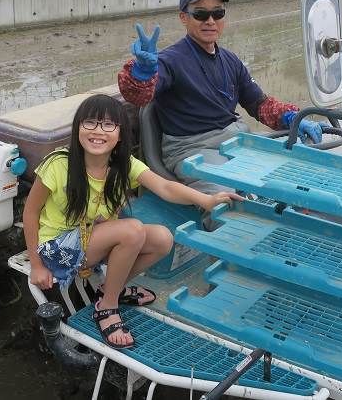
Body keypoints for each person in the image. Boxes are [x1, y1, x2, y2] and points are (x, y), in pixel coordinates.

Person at [22, 94, 241, 350]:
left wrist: (207, 200)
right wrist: (36, 265)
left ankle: (110, 290)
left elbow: (166, 187)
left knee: (163, 239)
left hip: (91, 239)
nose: (97, 132)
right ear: (78, 128)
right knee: (132, 230)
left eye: (107, 125)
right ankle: (107, 308)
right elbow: (30, 212)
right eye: (89, 123)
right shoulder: (59, 163)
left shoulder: (122, 164)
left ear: (119, 134)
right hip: (56, 250)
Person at [117, 0, 325, 193]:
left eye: (217, 13)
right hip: (193, 150)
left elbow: (259, 104)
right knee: (226, 200)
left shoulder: (230, 60)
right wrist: (141, 72)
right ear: (184, 18)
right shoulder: (170, 61)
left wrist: (292, 118)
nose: (210, 21)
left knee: (298, 171)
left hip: (236, 140)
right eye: (200, 14)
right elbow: (139, 95)